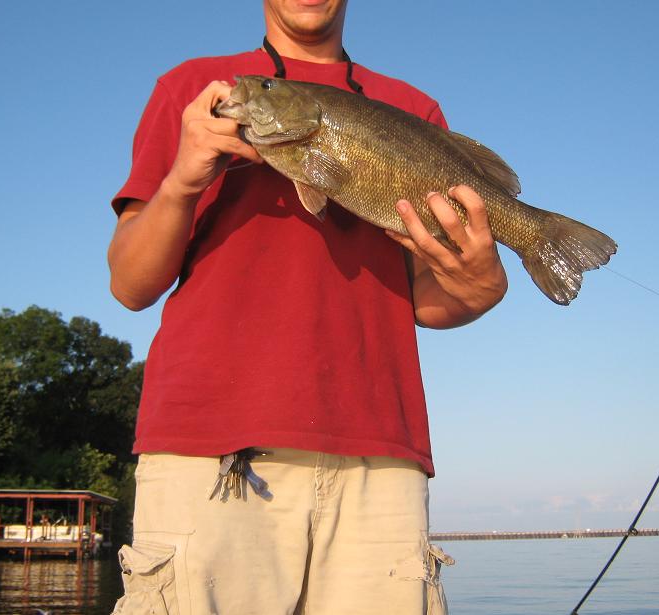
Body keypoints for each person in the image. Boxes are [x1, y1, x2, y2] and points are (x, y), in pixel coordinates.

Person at [107, 1, 507, 614]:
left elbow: (426, 300)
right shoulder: (196, 89)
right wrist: (184, 180)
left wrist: (479, 291)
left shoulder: (413, 109)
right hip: (209, 445)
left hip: (379, 453)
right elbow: (130, 285)